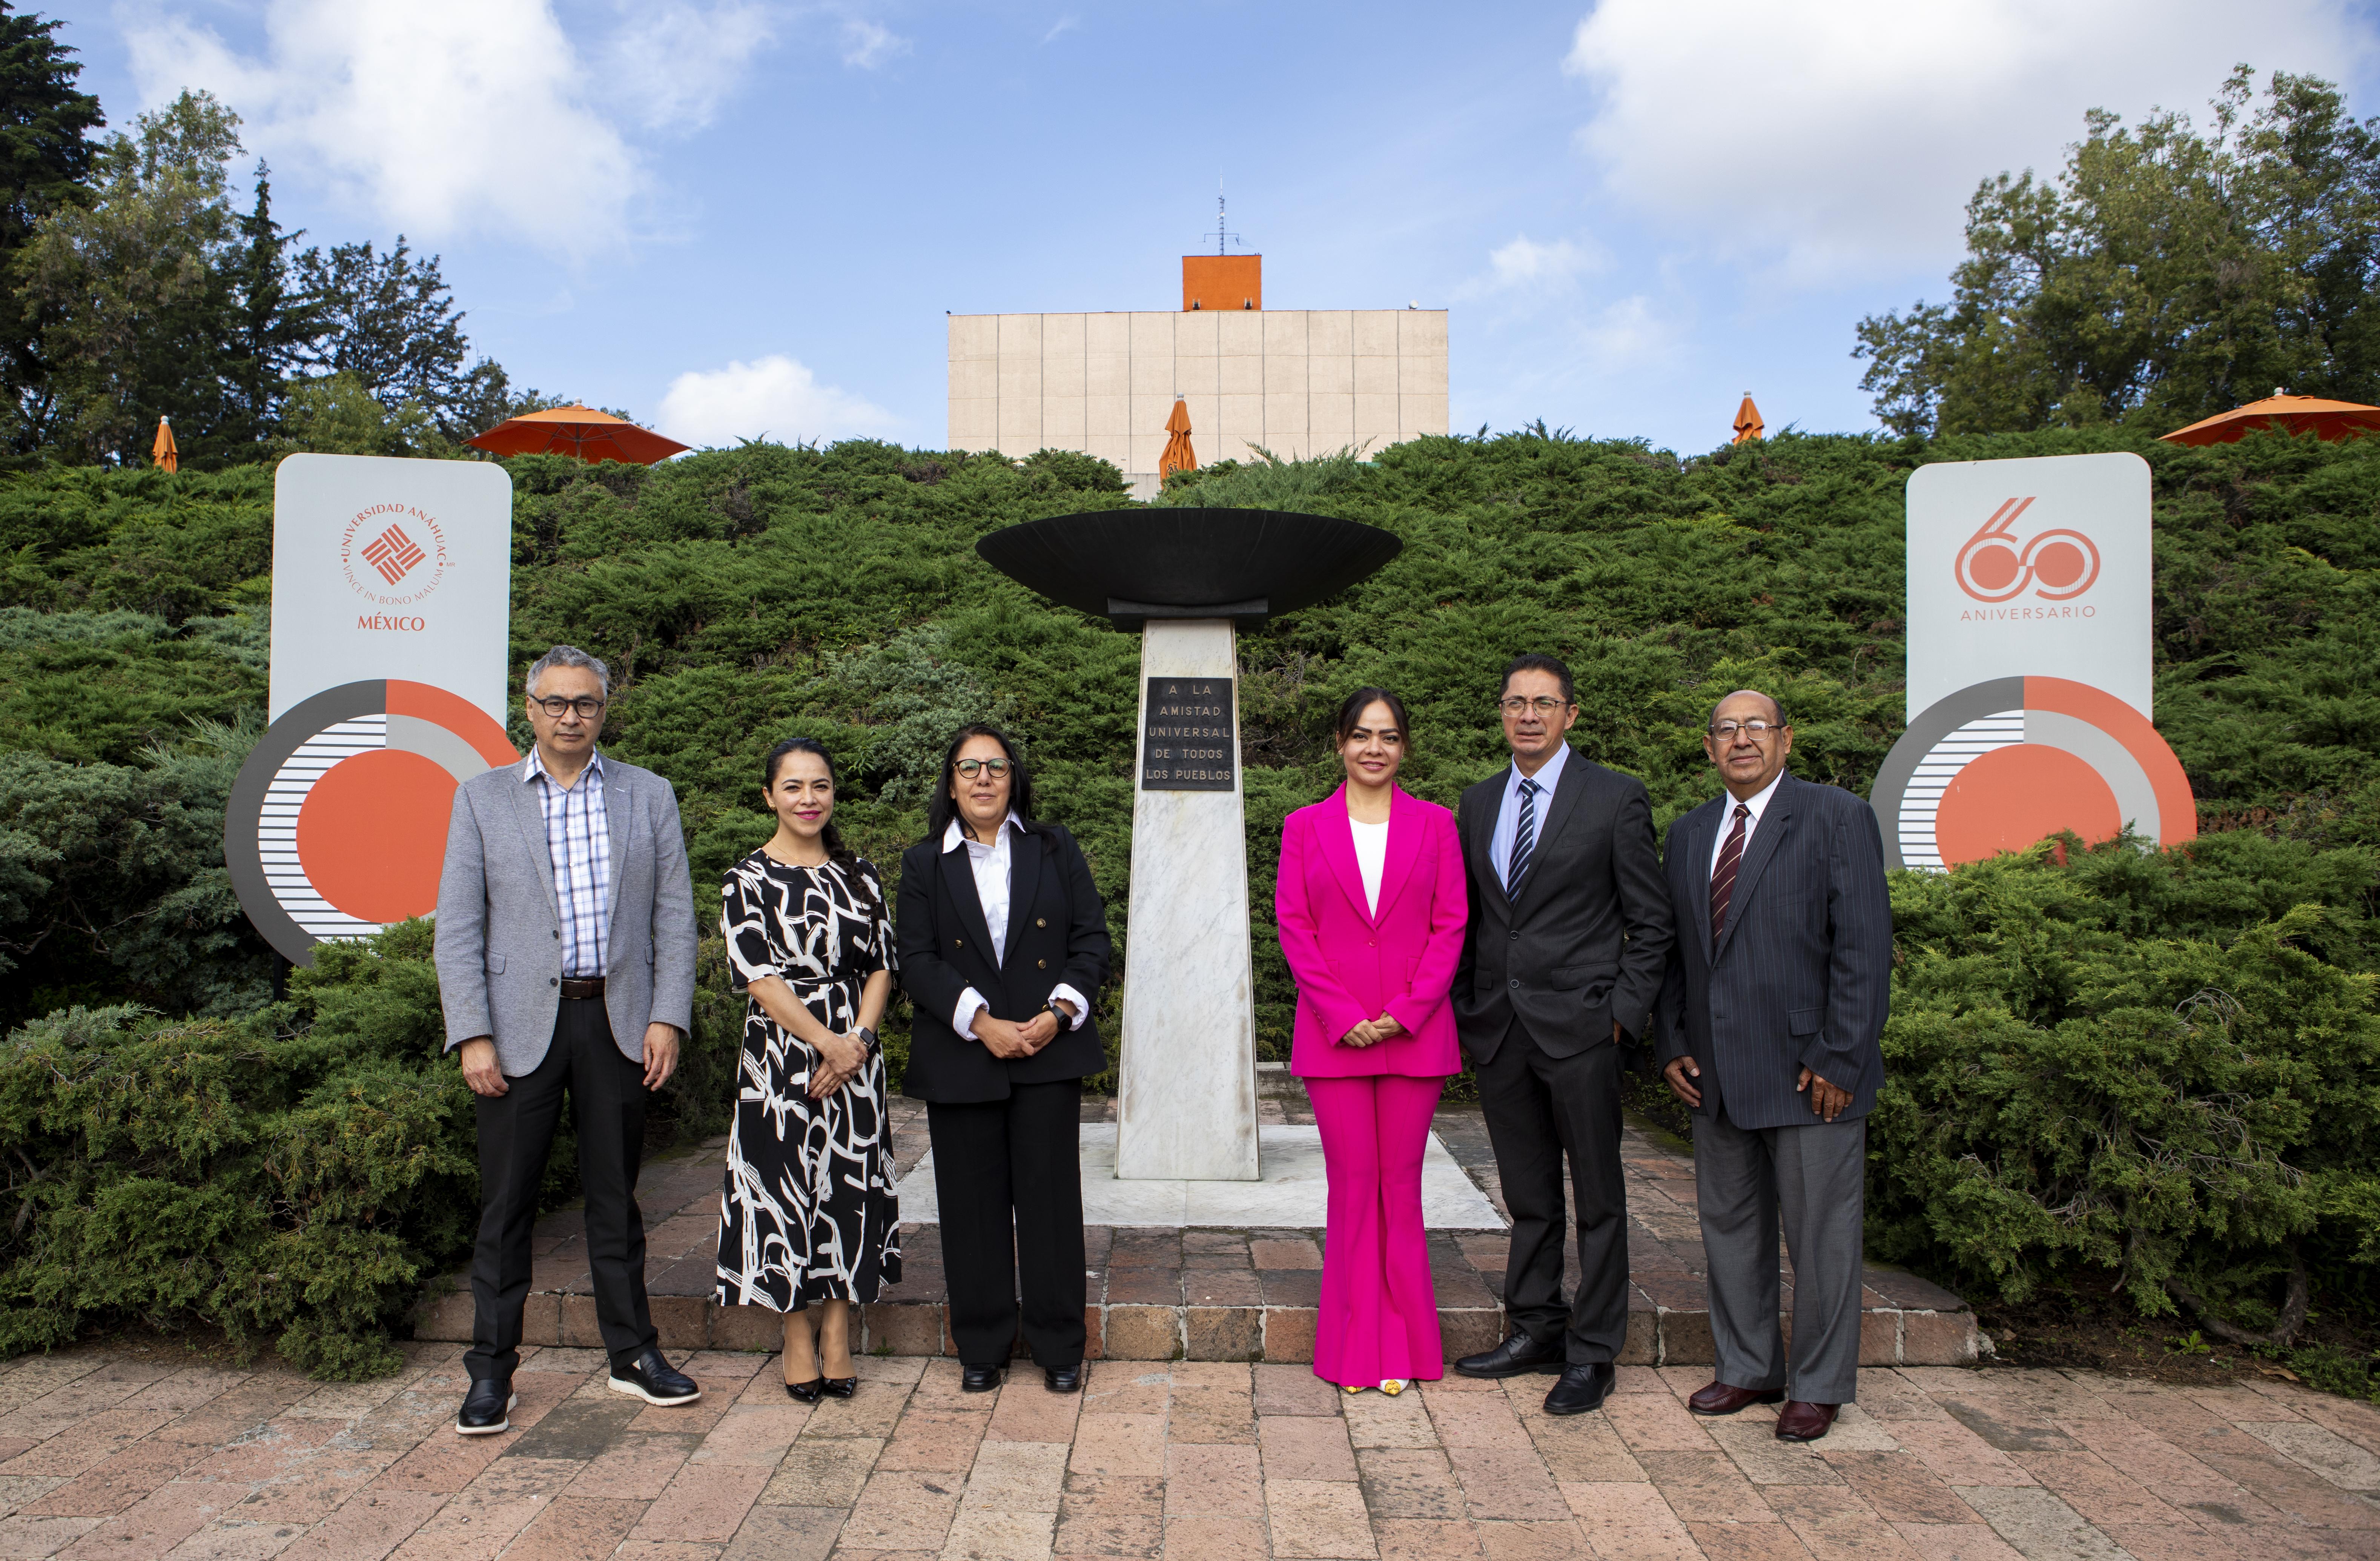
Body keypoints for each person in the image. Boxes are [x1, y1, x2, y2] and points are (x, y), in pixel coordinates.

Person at [434, 644, 703, 1435]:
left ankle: (633, 1355)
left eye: (584, 703)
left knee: (617, 1202)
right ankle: (491, 1371)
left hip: (616, 1022)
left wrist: (666, 1015)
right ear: (530, 708)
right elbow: (458, 927)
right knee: (506, 1206)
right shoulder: (481, 799)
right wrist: (472, 1033)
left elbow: (674, 917)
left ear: (604, 709)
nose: (570, 716)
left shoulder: (646, 795)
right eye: (555, 703)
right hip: (517, 1031)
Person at [1655, 690, 1892, 1443]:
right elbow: (1674, 955)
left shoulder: (1835, 817)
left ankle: (1817, 1385)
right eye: (1725, 729)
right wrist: (1671, 1041)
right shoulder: (1689, 834)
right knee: (1729, 1228)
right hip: (1717, 1074)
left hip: (1809, 1074)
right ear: (1707, 747)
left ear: (1785, 739)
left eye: (1755, 726)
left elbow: (1862, 947)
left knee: (1821, 1237)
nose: (1740, 739)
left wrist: (1840, 1054)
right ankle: (1748, 1366)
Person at [1449, 654, 1675, 1416]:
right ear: (1501, 712)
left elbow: (1650, 920)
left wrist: (1621, 1011)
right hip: (1502, 1030)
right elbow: (1474, 918)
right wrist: (1463, 1006)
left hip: (1582, 1026)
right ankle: (1535, 1326)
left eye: (1543, 703)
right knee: (1528, 1194)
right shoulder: (1477, 802)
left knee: (1599, 1197)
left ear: (1570, 714)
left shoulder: (1614, 797)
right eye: (1514, 702)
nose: (1528, 715)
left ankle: (1592, 1349)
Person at [895, 725, 1112, 1395]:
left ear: (1014, 777)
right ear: (951, 781)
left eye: (996, 766)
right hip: (965, 1052)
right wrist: (981, 1022)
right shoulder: (923, 861)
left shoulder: (1054, 847)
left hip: (1047, 1050)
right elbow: (916, 959)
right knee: (970, 1205)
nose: (983, 778)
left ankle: (1058, 1344)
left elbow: (1091, 939)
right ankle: (982, 1343)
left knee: (1050, 1203)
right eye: (969, 767)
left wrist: (1058, 1014)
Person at [1274, 688, 1467, 1396]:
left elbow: (1451, 925)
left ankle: (1408, 1349)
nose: (1374, 748)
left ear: (1404, 747)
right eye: (1361, 735)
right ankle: (1354, 1352)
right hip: (1336, 1039)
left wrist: (1406, 1011)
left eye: (1388, 736)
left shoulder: (1437, 824)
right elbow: (1294, 926)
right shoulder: (1304, 825)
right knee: (1353, 1191)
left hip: (1414, 1036)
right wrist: (1341, 1011)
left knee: (1401, 1190)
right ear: (1339, 744)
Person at [714, 739, 900, 1403]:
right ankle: (796, 1336)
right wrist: (826, 1042)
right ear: (769, 796)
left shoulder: (861, 874)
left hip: (855, 1053)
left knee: (846, 1187)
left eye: (819, 786)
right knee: (787, 1190)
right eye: (793, 787)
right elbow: (758, 977)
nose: (808, 799)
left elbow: (883, 964)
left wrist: (857, 1042)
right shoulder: (748, 879)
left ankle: (839, 1334)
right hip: (782, 1058)